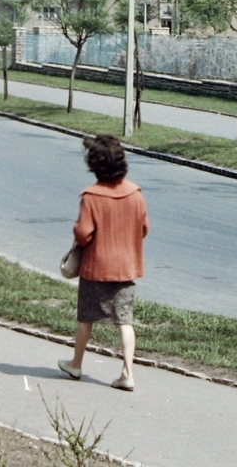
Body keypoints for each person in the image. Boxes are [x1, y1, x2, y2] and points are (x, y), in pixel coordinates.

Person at [58, 135, 148, 392]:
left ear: (94, 165)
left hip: (96, 268)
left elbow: (83, 234)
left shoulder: (91, 196)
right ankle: (127, 373)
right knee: (125, 321)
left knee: (86, 318)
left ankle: (76, 363)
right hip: (126, 268)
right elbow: (143, 228)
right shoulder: (135, 194)